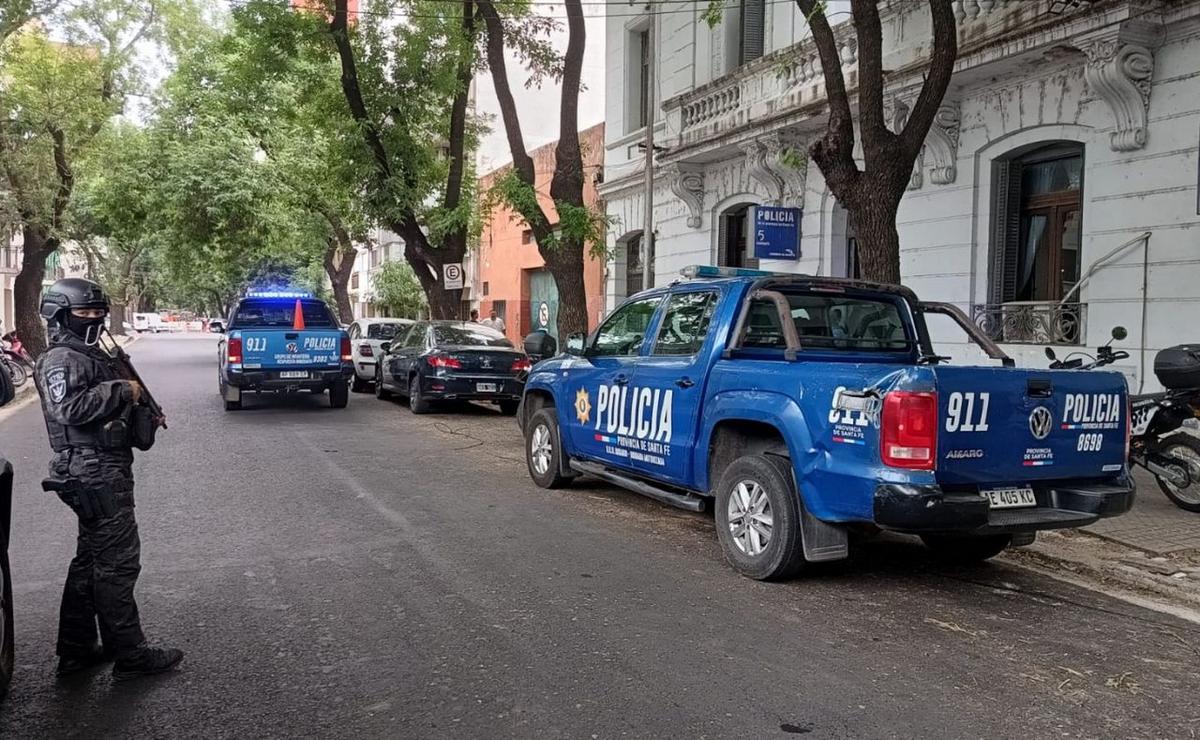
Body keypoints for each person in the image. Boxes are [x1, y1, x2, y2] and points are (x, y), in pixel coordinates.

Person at [33, 278, 183, 681]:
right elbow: (70, 409)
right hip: (93, 470)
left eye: (100, 312)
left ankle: (78, 650)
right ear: (61, 315)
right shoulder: (63, 358)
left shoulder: (90, 353)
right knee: (117, 564)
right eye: (85, 313)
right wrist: (123, 391)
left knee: (89, 563)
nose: (95, 319)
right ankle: (130, 656)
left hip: (101, 466)